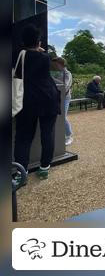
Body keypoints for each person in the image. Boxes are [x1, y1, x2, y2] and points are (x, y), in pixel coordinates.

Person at [14, 24, 60, 181]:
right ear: (38, 42)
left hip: (28, 101)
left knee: (23, 137)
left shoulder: (18, 55)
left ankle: (21, 173)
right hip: (49, 99)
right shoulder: (45, 57)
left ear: (22, 42)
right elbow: (42, 56)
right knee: (48, 134)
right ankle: (44, 168)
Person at [52, 57, 74, 145]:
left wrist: (52, 78)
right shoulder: (58, 73)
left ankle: (69, 136)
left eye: (56, 64)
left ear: (60, 64)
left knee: (63, 117)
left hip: (65, 98)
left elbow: (65, 86)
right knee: (58, 117)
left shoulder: (67, 73)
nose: (54, 66)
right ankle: (62, 135)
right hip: (57, 97)